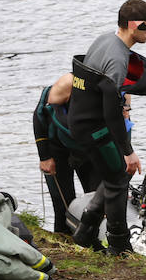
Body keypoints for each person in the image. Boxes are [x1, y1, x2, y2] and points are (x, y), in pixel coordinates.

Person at [68, 0, 146, 255]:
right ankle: (119, 245)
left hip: (81, 120)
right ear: (135, 26)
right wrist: (128, 150)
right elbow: (110, 110)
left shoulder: (104, 40)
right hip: (94, 127)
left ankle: (85, 231)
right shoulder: (117, 59)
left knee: (117, 173)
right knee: (116, 179)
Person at [33, 72, 102, 235]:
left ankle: (94, 243)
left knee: (97, 202)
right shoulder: (68, 83)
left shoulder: (119, 89)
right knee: (63, 205)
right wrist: (44, 157)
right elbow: (39, 116)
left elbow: (122, 128)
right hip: (56, 148)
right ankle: (63, 240)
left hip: (89, 149)